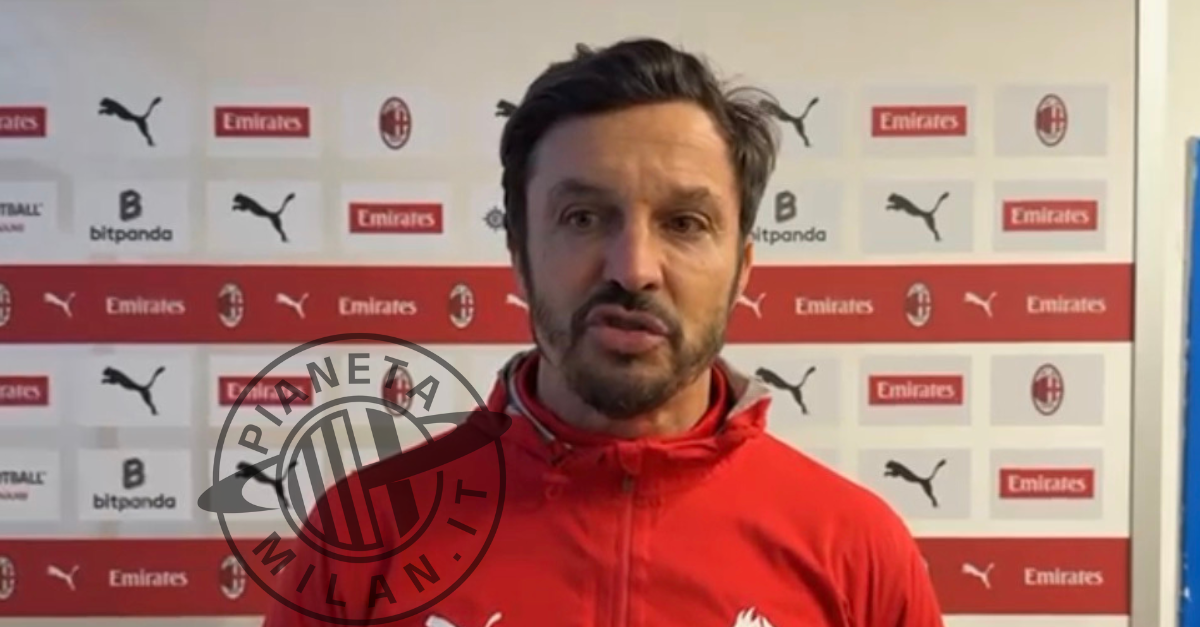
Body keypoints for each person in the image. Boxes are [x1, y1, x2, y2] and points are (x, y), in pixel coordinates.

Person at [263, 37, 945, 626]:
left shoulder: (858, 551)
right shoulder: (366, 534)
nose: (633, 268)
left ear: (742, 268)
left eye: (685, 223)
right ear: (519, 254)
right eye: (583, 218)